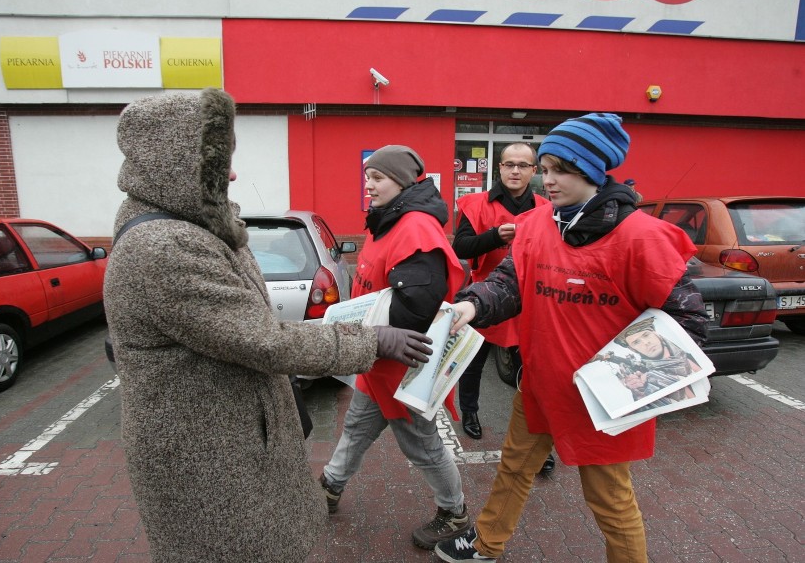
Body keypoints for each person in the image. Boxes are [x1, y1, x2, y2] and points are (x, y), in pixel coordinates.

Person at [103, 90, 435, 563]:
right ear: (176, 166)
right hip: (207, 458)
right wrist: (373, 339)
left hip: (225, 443)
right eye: (220, 165)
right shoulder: (164, 246)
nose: (233, 174)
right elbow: (262, 339)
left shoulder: (187, 226)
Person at [435, 113, 709, 563]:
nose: (547, 181)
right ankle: (486, 544)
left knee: (610, 502)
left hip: (601, 399)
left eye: (560, 170)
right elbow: (509, 283)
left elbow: (687, 324)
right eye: (545, 169)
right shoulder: (540, 224)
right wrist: (470, 305)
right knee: (514, 469)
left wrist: (627, 379)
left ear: (593, 171)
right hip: (540, 384)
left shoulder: (641, 237)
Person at [319, 145, 472, 551]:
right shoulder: (388, 221)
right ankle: (330, 487)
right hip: (378, 362)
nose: (368, 185)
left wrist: (364, 330)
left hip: (404, 367)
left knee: (422, 445)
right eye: (367, 176)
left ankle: (454, 512)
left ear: (402, 181)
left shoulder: (416, 228)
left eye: (378, 177)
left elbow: (418, 308)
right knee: (355, 428)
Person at [452, 142, 556, 472]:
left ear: (533, 171)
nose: (515, 170)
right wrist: (496, 236)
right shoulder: (475, 203)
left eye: (522, 165)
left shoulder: (546, 207)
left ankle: (537, 440)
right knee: (473, 362)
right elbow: (461, 247)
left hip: (530, 299)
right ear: (499, 168)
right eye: (509, 164)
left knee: (534, 372)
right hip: (486, 295)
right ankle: (469, 411)